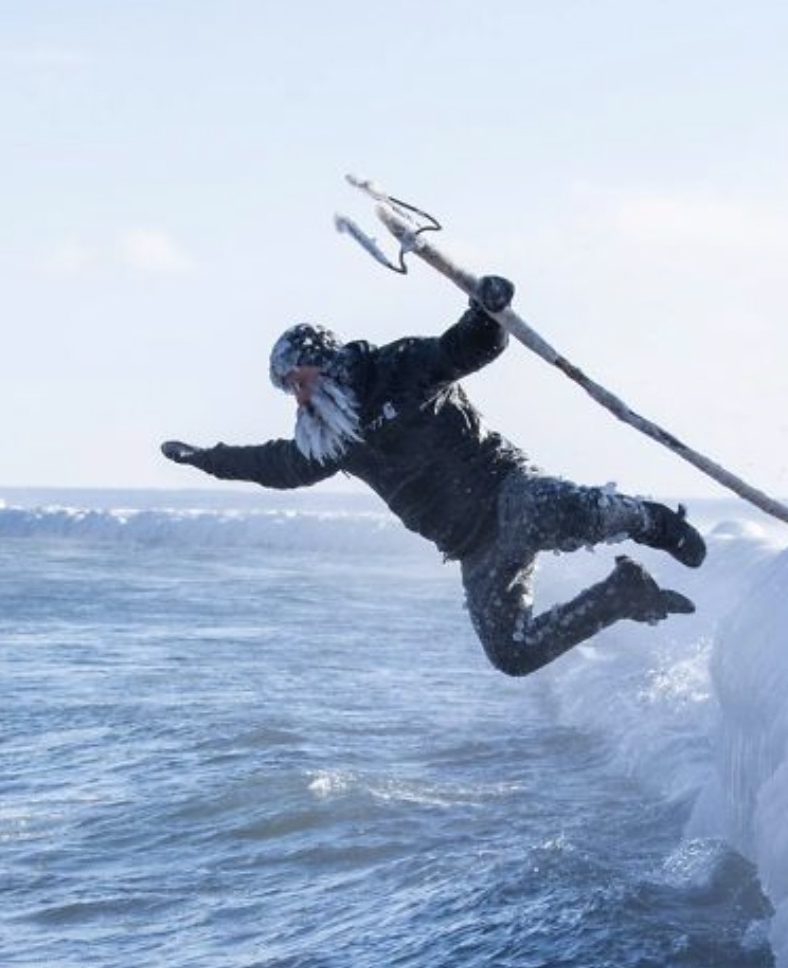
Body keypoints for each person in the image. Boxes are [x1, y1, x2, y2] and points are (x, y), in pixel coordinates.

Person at [161, 275, 706, 677]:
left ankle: (647, 520)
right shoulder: (334, 438)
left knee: (557, 513)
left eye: (298, 380)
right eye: (288, 390)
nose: (298, 396)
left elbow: (463, 349)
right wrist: (204, 457)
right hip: (474, 550)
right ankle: (621, 596)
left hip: (505, 494)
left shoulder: (396, 369)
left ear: (323, 361)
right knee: (513, 653)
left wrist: (486, 311)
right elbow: (272, 466)